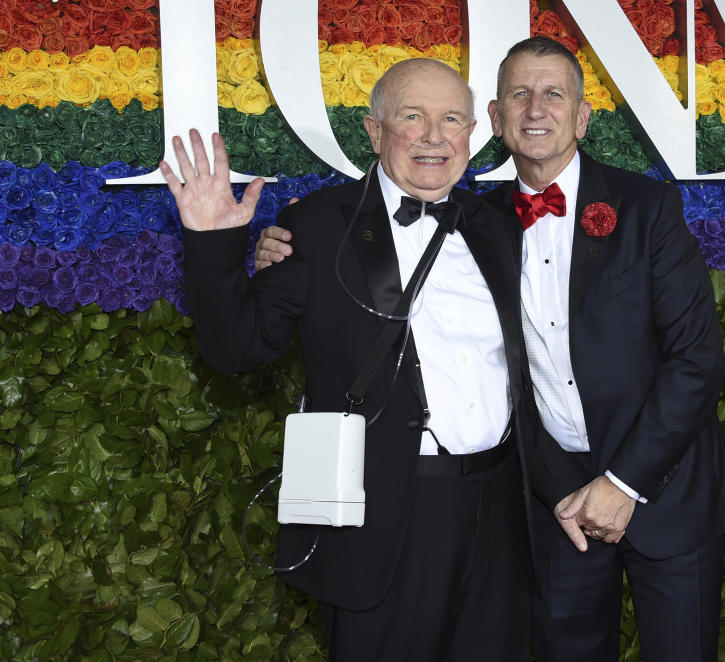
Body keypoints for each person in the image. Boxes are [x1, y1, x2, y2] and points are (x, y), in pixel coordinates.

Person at [255, 38, 725, 662]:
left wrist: (623, 483)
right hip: (554, 503)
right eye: (519, 93)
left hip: (666, 491)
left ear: (582, 117)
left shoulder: (645, 206)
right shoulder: (476, 219)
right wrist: (281, 244)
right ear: (494, 119)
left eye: (553, 94)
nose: (535, 108)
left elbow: (696, 359)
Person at [160, 58, 535, 662]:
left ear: (473, 133)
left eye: (452, 120)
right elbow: (237, 350)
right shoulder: (316, 225)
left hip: (503, 513)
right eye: (413, 117)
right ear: (374, 130)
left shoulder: (499, 225)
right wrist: (213, 243)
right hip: (389, 516)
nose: (435, 136)